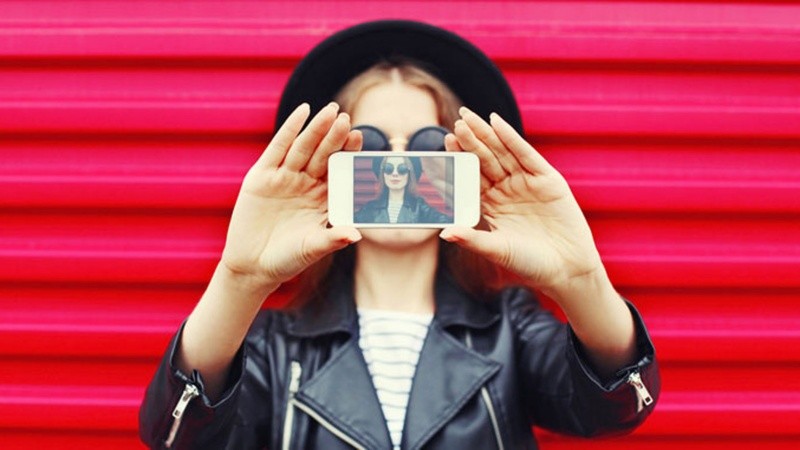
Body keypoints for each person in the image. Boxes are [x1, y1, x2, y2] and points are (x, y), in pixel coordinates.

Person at [139, 20, 660, 450]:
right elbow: (175, 437)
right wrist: (238, 280)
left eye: (427, 145)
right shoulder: (270, 345)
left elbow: (614, 409)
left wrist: (581, 279)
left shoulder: (512, 327)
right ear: (330, 164)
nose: (398, 167)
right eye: (369, 145)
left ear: (463, 165)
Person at [354, 154, 453, 224]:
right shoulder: (370, 209)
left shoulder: (420, 208)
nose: (395, 174)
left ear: (409, 174)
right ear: (382, 174)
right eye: (388, 168)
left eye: (402, 169)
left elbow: (447, 222)